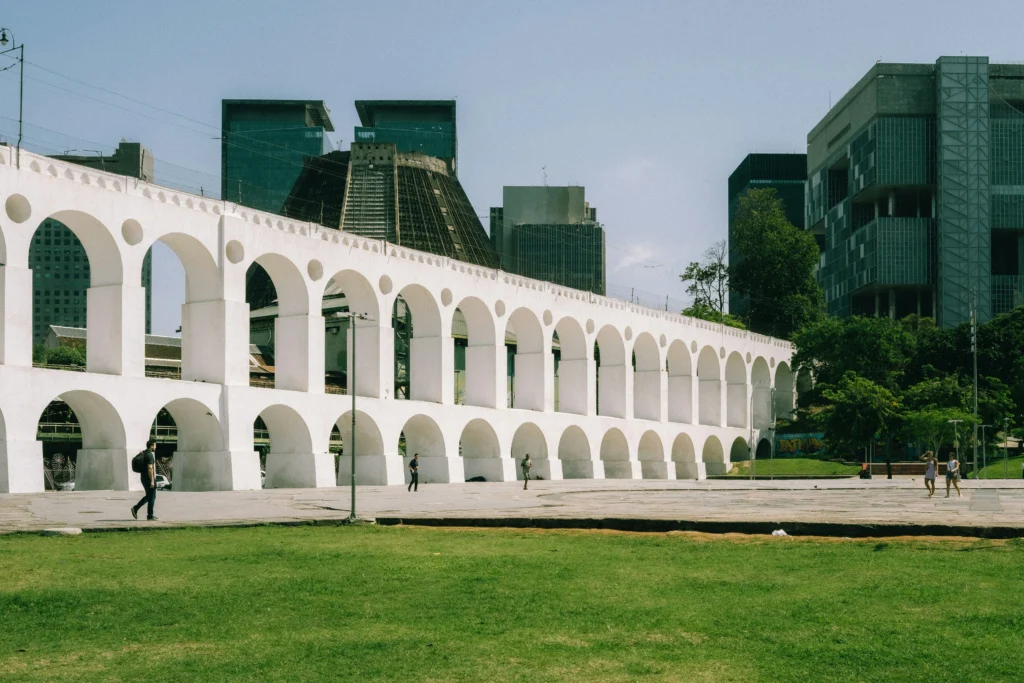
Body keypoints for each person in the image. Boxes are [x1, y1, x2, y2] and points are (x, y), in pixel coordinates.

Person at [131, 440, 159, 520]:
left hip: (143, 477)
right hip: (148, 478)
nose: (155, 447)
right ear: (151, 446)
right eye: (155, 445)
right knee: (151, 497)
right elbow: (150, 468)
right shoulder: (150, 455)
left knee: (150, 496)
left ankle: (148, 514)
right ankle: (140, 510)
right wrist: (152, 480)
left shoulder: (144, 453)